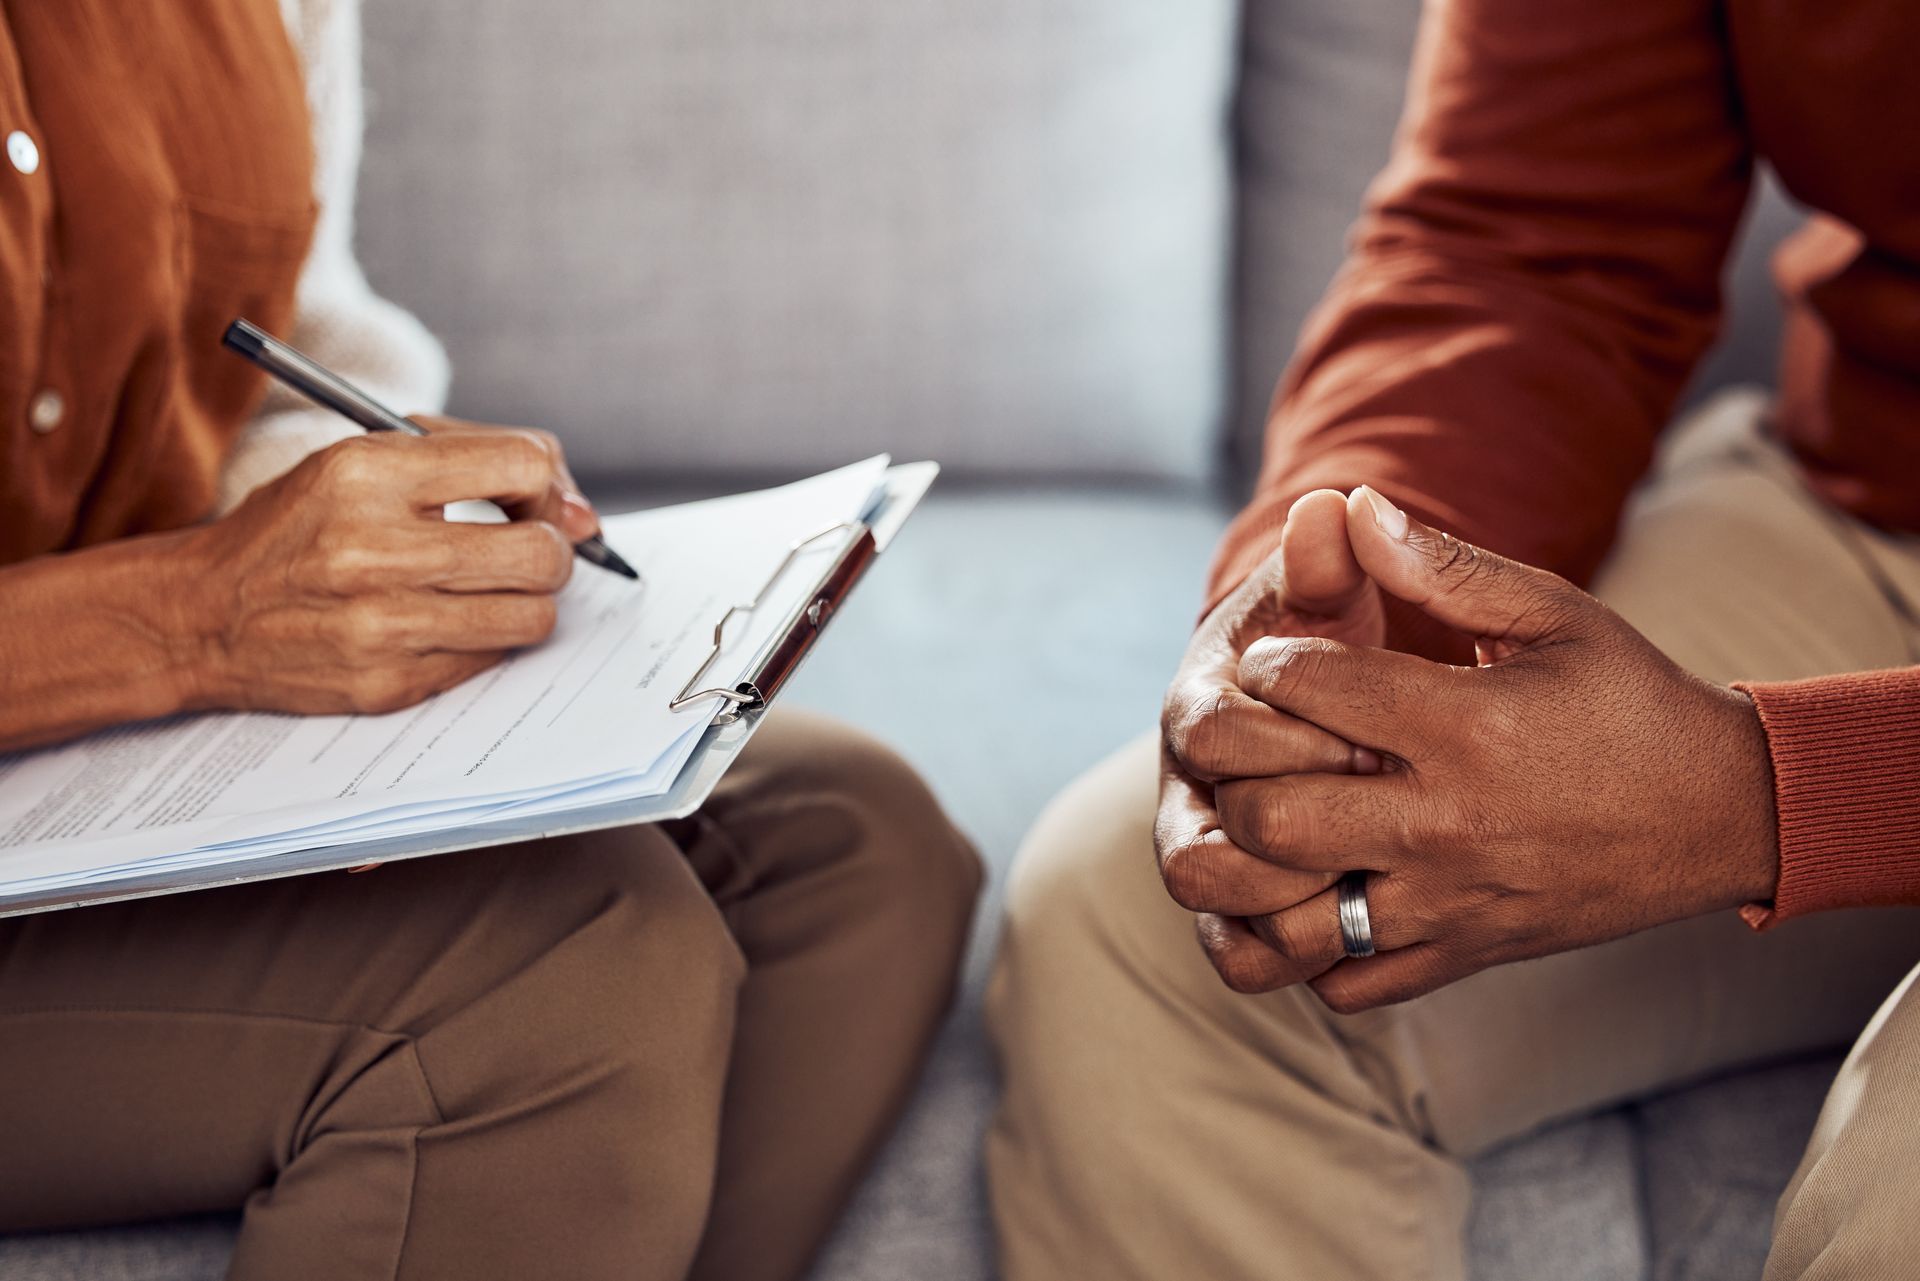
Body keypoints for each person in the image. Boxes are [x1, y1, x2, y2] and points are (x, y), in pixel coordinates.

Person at [0, 4, 980, 1280]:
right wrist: (186, 617)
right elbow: (194, 602)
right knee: (569, 973)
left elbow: (284, 360)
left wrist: (377, 521)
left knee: (852, 844)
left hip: (94, 755)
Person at [988, 1, 1920, 1278]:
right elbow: (1531, 237)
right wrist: (1332, 611)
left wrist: (1777, 790)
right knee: (1169, 925)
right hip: (1874, 509)